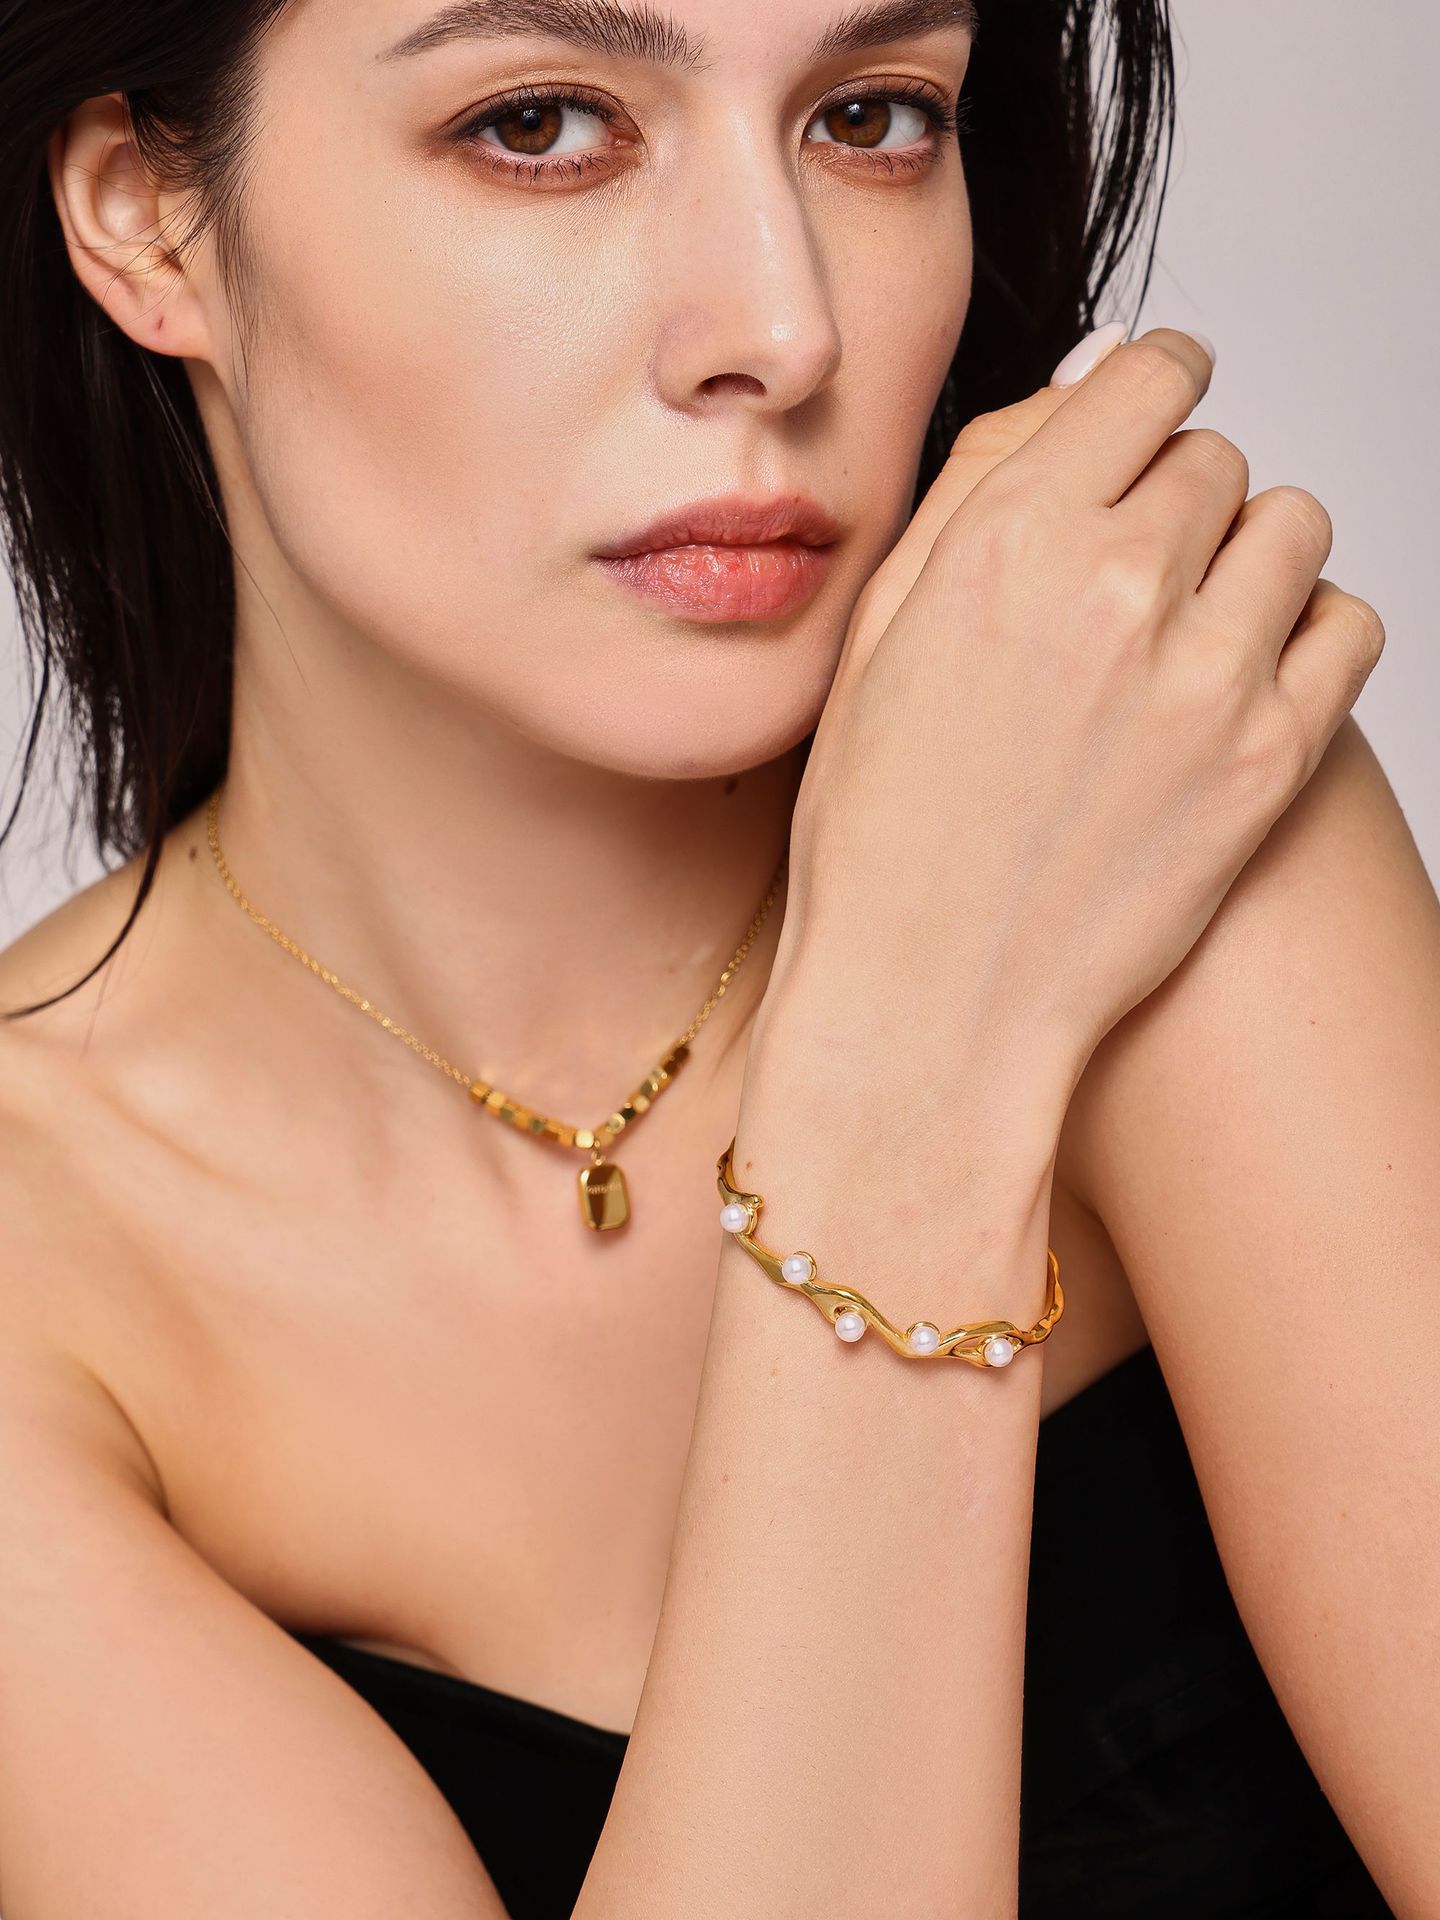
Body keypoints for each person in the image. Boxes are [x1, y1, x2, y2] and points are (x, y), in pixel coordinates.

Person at [0, 1, 1432, 1914]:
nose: (784, 323)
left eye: (871, 116)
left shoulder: (1159, 813)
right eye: (539, 125)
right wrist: (916, 1067)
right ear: (146, 213)